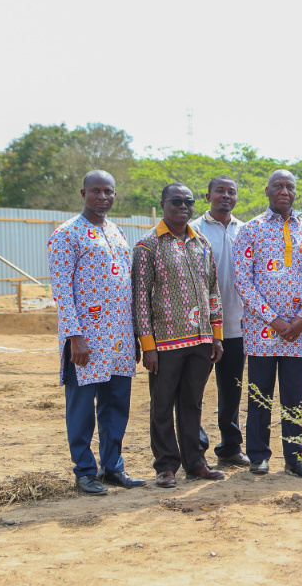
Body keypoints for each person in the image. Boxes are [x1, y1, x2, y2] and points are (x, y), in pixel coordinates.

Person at [47, 170, 145, 495]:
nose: (102, 197)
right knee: (81, 407)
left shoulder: (117, 232)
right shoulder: (66, 234)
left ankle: (113, 467)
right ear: (83, 192)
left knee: (116, 406)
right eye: (96, 191)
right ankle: (85, 471)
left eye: (109, 192)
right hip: (85, 341)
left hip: (118, 339)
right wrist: (75, 336)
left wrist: (134, 336)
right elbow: (61, 289)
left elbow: (127, 287)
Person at [233, 170, 302, 479]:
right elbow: (243, 281)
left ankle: (294, 458)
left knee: (294, 399)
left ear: (295, 192)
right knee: (260, 396)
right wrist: (273, 320)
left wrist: (300, 320)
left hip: (299, 333)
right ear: (267, 190)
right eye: (278, 186)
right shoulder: (250, 230)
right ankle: (258, 455)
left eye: (290, 186)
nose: (284, 191)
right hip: (262, 332)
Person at [133, 184, 225, 488]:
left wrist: (217, 334)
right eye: (176, 201)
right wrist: (148, 346)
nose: (183, 206)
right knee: (162, 404)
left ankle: (195, 462)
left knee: (192, 403)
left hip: (201, 340)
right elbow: (140, 299)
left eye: (188, 202)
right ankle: (166, 466)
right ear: (163, 204)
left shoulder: (202, 244)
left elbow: (213, 289)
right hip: (164, 342)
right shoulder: (148, 246)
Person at [193, 175, 250, 469]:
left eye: (231, 192)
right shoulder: (193, 230)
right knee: (194, 391)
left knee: (232, 390)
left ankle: (230, 446)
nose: (225, 196)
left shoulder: (246, 230)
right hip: (200, 329)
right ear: (208, 196)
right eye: (220, 191)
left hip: (237, 326)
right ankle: (196, 448)